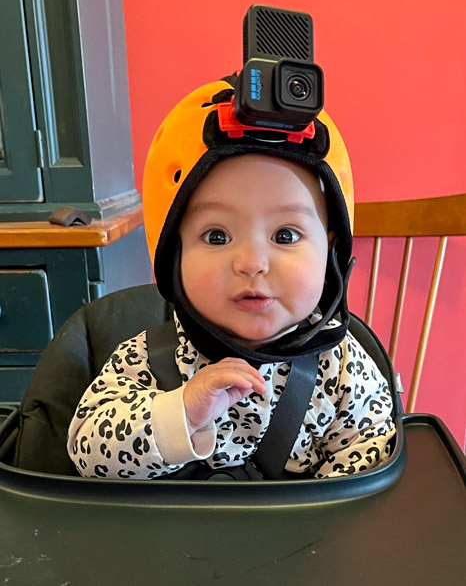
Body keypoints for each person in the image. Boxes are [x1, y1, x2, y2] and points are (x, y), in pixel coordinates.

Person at [67, 77, 395, 479]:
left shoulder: (343, 367)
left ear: (330, 254)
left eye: (285, 236)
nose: (252, 263)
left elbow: (370, 461)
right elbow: (89, 454)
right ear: (174, 253)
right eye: (217, 236)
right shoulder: (147, 361)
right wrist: (179, 415)